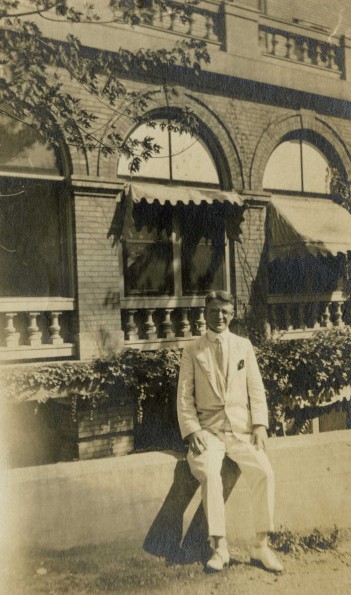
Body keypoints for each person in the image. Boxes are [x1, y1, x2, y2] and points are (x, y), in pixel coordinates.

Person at [177, 290, 283, 573]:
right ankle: (219, 547)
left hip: (240, 431)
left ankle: (261, 545)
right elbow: (184, 397)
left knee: (264, 471)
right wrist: (192, 431)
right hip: (208, 433)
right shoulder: (192, 350)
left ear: (232, 314)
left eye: (225, 312)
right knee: (212, 474)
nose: (219, 316)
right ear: (205, 313)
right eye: (214, 311)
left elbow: (256, 389)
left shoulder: (243, 346)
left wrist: (260, 424)